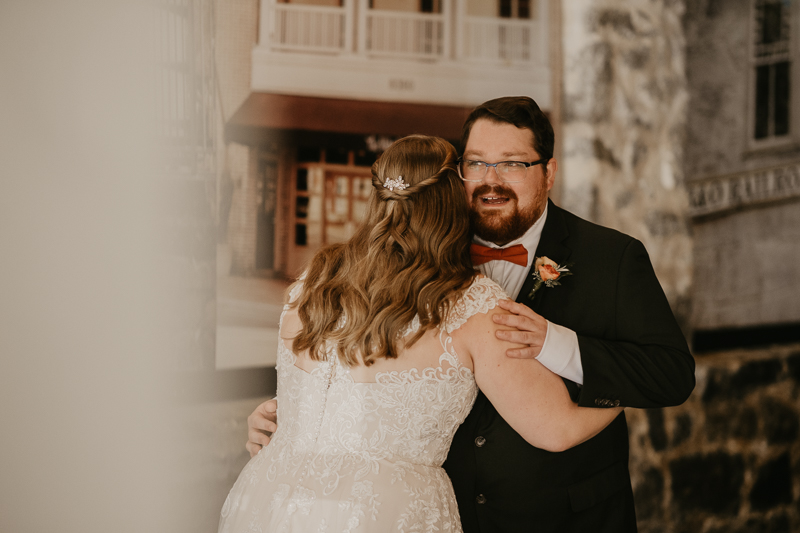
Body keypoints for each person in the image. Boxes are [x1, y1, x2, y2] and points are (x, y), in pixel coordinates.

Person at [246, 97, 696, 532]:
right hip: (437, 511)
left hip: (562, 518)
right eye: (476, 163)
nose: (491, 179)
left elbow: (671, 373)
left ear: (549, 172)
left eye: (513, 164)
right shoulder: (418, 261)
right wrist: (287, 416)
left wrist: (560, 346)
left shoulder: (611, 259)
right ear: (457, 174)